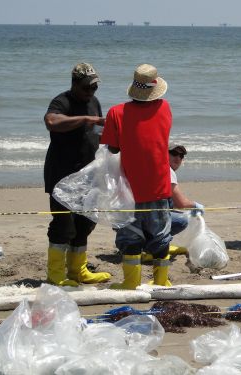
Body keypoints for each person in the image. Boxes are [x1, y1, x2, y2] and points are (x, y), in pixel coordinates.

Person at [101, 63, 173, 289]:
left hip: (129, 188)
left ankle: (131, 283)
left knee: (129, 236)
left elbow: (112, 148)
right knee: (161, 236)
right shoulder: (165, 108)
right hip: (159, 185)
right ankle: (162, 282)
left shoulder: (116, 113)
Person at [43, 62, 111, 287]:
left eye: (94, 88)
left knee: (85, 223)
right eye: (86, 88)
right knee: (64, 224)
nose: (91, 92)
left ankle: (78, 271)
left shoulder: (94, 102)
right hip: (62, 174)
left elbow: (97, 134)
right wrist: (85, 119)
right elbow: (51, 122)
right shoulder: (62, 101)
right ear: (74, 84)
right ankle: (55, 274)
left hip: (88, 174)